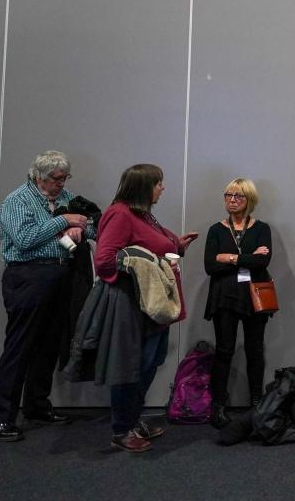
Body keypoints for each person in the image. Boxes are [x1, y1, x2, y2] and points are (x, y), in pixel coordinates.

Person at [0, 151, 96, 442]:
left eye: (65, 178)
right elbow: (24, 239)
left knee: (49, 345)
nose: (61, 184)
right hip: (28, 276)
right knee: (20, 346)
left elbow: (91, 224)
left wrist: (80, 226)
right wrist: (63, 222)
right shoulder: (17, 201)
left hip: (62, 276)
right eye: (56, 179)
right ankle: (2, 417)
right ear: (38, 177)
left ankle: (37, 405)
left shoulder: (67, 198)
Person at [94, 164, 198, 452]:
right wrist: (143, 263)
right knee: (132, 367)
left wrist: (177, 244)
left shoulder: (142, 215)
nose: (163, 188)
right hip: (134, 307)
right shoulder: (120, 214)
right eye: (159, 183)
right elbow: (104, 260)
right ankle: (122, 429)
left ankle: (131, 419)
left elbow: (151, 244)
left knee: (150, 362)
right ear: (144, 187)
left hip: (153, 307)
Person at [203, 178, 273, 428]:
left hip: (254, 296)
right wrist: (246, 258)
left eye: (238, 196)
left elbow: (263, 262)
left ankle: (257, 403)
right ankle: (218, 405)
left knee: (255, 350)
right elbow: (210, 266)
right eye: (228, 195)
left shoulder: (262, 228)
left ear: (249, 200)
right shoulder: (216, 229)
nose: (232, 200)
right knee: (224, 351)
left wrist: (229, 257)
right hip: (225, 297)